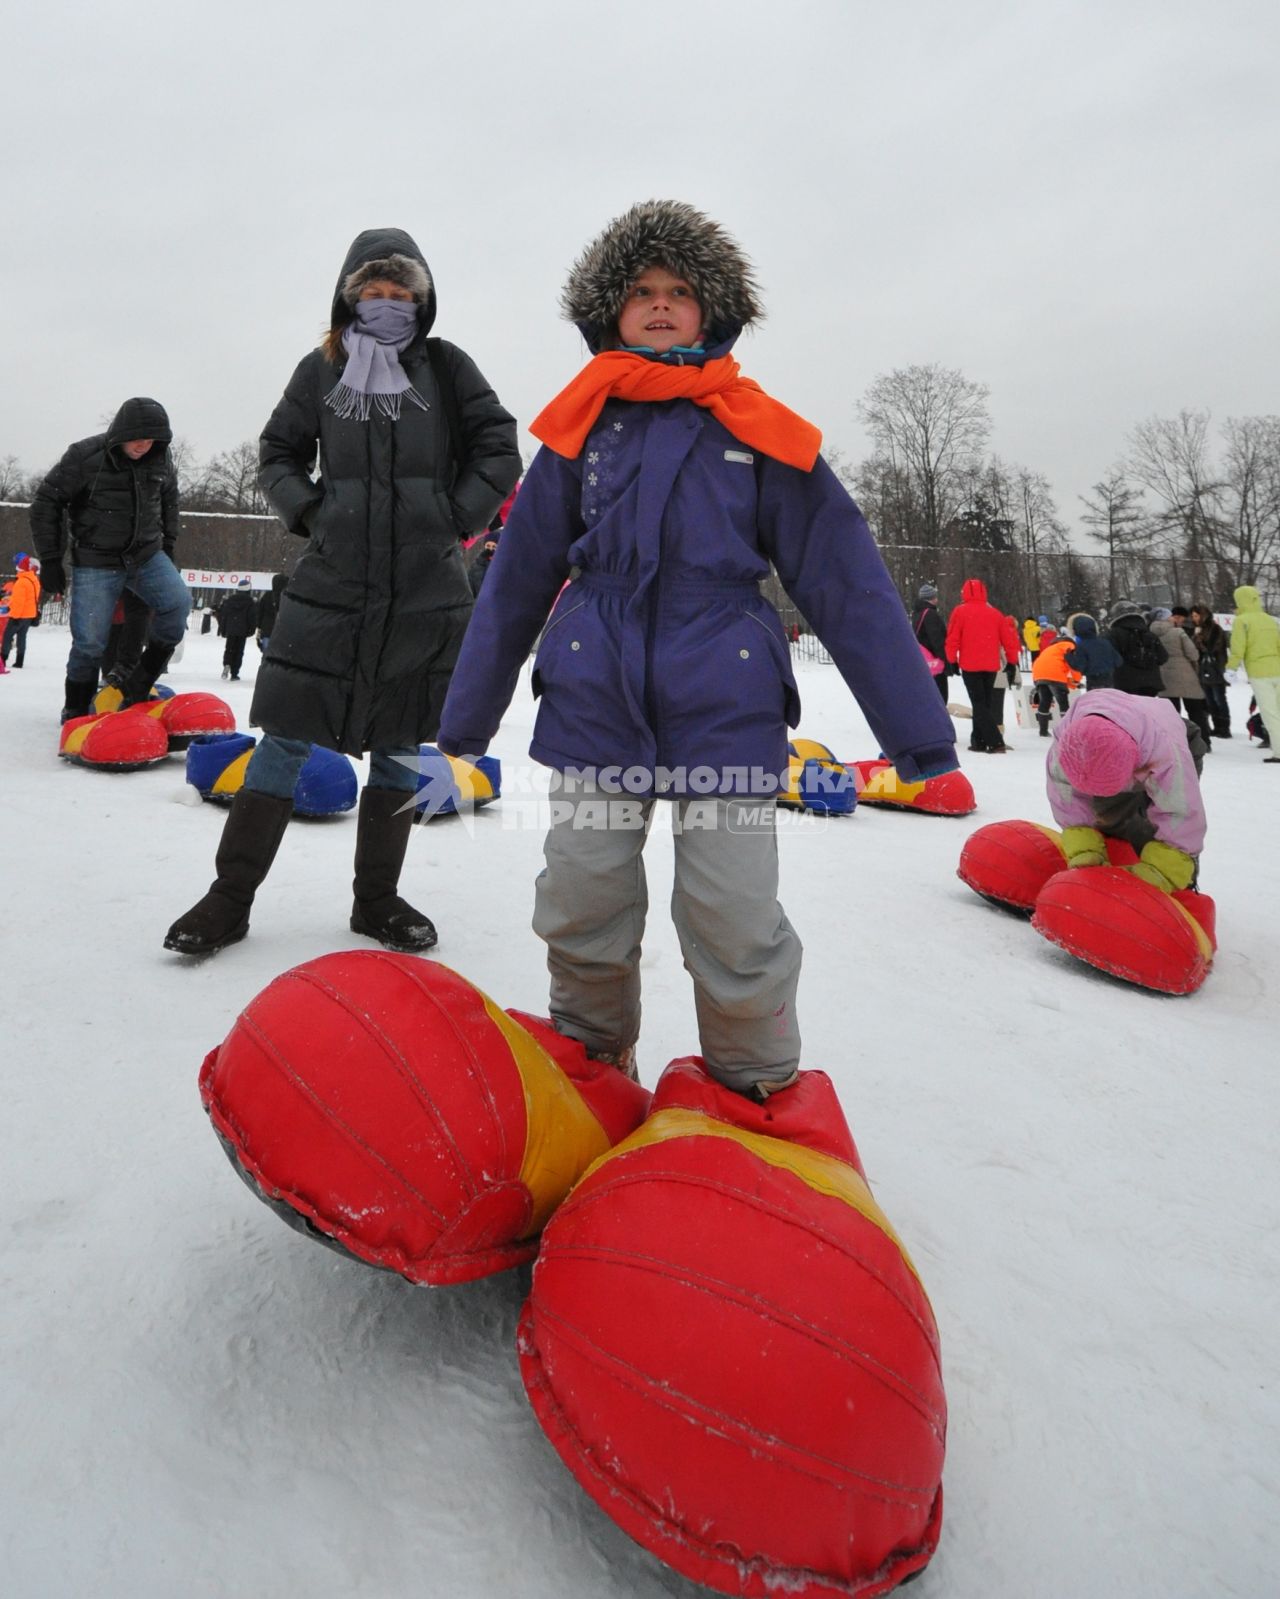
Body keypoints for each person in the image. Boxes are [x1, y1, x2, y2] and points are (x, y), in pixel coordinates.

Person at [435, 200, 957, 1100]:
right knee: (582, 901)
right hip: (594, 705)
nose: (663, 305)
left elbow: (846, 580)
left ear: (713, 309)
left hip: (726, 706)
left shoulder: (760, 431)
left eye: (681, 290)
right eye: (643, 292)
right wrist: (462, 726)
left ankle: (752, 1089)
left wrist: (920, 737)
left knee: (733, 914)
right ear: (611, 311)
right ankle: (593, 1067)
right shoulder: (577, 433)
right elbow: (515, 583)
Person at [165, 227, 520, 956]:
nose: (386, 304)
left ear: (421, 302)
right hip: (333, 582)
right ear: (349, 296)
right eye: (373, 292)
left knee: (398, 747)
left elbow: (498, 446)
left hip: (423, 588)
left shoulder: (449, 369)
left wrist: (454, 515)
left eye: (401, 294)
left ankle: (377, 900)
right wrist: (312, 510)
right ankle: (228, 899)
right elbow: (277, 450)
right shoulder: (321, 369)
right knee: (283, 740)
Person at [29, 397, 190, 721]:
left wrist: (168, 544)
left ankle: (139, 680)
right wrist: (50, 558)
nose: (144, 445)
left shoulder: (160, 458)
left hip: (145, 555)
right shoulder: (84, 457)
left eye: (151, 440)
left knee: (178, 603)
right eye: (138, 438)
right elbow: (46, 501)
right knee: (90, 642)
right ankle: (76, 708)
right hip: (96, 561)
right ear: (120, 433)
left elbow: (170, 498)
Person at [1047, 689, 1206, 892]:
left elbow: (1180, 813)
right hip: (1113, 737)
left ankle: (1182, 889)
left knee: (1151, 827)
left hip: (1174, 739)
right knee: (1110, 818)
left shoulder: (1167, 752)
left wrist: (1165, 868)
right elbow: (1064, 794)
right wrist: (1083, 846)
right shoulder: (1068, 743)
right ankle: (1113, 875)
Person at [945, 579, 1022, 752]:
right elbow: (1009, 640)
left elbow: (953, 638)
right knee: (985, 703)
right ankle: (978, 741)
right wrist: (1011, 662)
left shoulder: (960, 612)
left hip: (970, 664)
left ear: (964, 593)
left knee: (978, 703)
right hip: (991, 665)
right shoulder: (995, 613)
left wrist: (952, 660)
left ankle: (995, 742)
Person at [1225, 584, 1280, 763]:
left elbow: (1238, 648)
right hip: (1278, 669)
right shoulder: (1270, 619)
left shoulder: (1242, 620)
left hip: (1259, 671)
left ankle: (1279, 751)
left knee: (1270, 713)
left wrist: (1231, 668)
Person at [1149, 607, 1212, 743]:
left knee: (1172, 713)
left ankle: (1176, 741)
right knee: (1195, 711)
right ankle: (1202, 740)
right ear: (1166, 618)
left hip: (1164, 676)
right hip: (1185, 675)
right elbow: (1193, 654)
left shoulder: (1151, 633)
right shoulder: (1178, 632)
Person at [1105, 600, 1166, 696]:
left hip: (1124, 684)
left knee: (1128, 710)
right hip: (1151, 684)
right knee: (1146, 710)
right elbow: (1163, 657)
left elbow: (1108, 659)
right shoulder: (1150, 635)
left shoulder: (1112, 635)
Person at [1189, 603, 1230, 737]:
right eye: (1193, 616)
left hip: (1215, 668)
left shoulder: (1215, 629)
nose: (1194, 619)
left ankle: (1224, 728)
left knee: (1219, 699)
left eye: (1196, 616)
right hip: (1203, 669)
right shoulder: (1197, 630)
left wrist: (1198, 638)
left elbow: (1213, 648)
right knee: (1210, 700)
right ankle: (1217, 726)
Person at [1031, 631, 1082, 734]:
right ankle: (1067, 730)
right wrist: (1077, 679)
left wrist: (1070, 683)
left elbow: (1052, 668)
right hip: (1054, 674)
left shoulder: (1050, 648)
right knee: (1063, 703)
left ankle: (1043, 730)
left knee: (1045, 701)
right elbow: (1073, 663)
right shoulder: (1069, 646)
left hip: (1039, 674)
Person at [0, 553, 41, 668]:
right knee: (22, 638)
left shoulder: (21, 582)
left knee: (7, 637)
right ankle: (19, 661)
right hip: (29, 615)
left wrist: (15, 616)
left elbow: (19, 603)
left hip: (19, 615)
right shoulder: (34, 580)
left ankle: (2, 660)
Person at [911, 582, 949, 703]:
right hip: (934, 659)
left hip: (924, 659)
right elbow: (936, 639)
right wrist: (944, 659)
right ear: (931, 598)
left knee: (928, 694)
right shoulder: (930, 614)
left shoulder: (916, 613)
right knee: (940, 695)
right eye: (935, 596)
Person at [1064, 613, 1121, 690]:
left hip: (1093, 681)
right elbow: (1118, 661)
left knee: (1096, 701)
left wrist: (1069, 657)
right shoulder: (1105, 642)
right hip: (1110, 680)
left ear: (1076, 629)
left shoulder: (1081, 646)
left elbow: (1080, 666)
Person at [216, 577, 258, 680]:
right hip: (242, 630)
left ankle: (226, 664)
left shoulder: (230, 600)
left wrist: (223, 628)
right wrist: (251, 629)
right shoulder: (250, 602)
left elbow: (224, 615)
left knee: (229, 649)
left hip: (231, 629)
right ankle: (234, 673)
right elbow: (251, 617)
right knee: (239, 651)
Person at [254, 573, 288, 652]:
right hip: (282, 632)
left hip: (267, 630)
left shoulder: (267, 596)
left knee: (266, 655)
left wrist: (259, 627)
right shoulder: (287, 597)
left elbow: (260, 613)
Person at [468, 525, 502, 597]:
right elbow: (470, 587)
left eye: (494, 547)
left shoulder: (502, 565)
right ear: (484, 546)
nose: (490, 549)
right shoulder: (476, 565)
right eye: (488, 546)